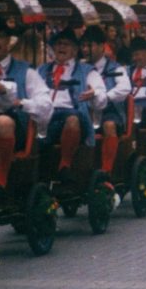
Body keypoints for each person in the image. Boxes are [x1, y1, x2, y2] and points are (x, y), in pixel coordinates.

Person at [0, 16, 51, 190]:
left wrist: (21, 103)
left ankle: (1, 179)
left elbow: (46, 105)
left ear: (9, 40)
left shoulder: (26, 71)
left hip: (14, 127)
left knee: (3, 122)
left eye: (0, 37)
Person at [37, 28, 105, 178]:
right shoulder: (42, 70)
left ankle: (65, 166)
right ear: (53, 48)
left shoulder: (87, 71)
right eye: (58, 44)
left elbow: (101, 97)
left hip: (72, 116)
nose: (61, 47)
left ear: (75, 50)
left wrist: (94, 93)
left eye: (66, 44)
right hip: (45, 116)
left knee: (72, 120)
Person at [79, 26, 131, 178]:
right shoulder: (79, 67)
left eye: (90, 45)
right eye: (83, 46)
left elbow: (124, 89)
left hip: (110, 111)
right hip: (85, 111)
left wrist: (104, 97)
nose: (85, 50)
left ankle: (106, 171)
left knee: (109, 125)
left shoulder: (116, 67)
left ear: (102, 46)